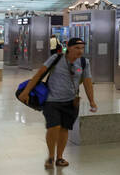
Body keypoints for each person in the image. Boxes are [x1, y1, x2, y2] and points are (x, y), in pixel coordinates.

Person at [18, 37, 97, 168]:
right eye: (77, 48)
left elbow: (87, 82)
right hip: (52, 100)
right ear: (69, 48)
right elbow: (38, 75)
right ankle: (50, 156)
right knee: (53, 127)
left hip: (71, 101)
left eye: (82, 48)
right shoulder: (56, 58)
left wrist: (92, 101)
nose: (80, 51)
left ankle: (59, 157)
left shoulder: (84, 62)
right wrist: (26, 91)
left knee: (65, 129)